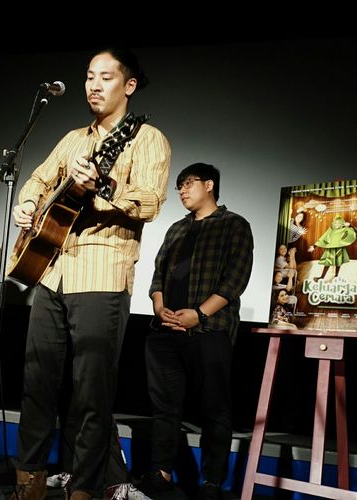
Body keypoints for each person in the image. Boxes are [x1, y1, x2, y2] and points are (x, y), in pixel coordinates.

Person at [11, 48, 171, 500]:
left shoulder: (147, 138)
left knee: (91, 393)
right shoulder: (71, 139)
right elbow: (38, 180)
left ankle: (83, 488)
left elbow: (151, 201)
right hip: (50, 270)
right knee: (37, 382)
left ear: (129, 85)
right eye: (88, 77)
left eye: (105, 77)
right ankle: (30, 481)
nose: (94, 85)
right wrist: (28, 204)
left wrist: (103, 187)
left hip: (102, 272)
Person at [141, 163, 253, 500]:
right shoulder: (176, 228)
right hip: (165, 330)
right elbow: (158, 273)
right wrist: (160, 307)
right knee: (164, 407)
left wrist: (199, 315)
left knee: (214, 407)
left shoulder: (234, 225)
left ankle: (211, 482)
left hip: (210, 330)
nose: (182, 191)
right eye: (179, 186)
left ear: (209, 185)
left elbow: (236, 278)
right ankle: (161, 472)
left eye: (188, 183)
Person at [308, 215, 357, 281]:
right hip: (330, 249)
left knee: (338, 262)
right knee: (327, 263)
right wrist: (314, 246)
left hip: (340, 248)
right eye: (335, 223)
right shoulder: (331, 230)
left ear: (342, 223)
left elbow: (354, 233)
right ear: (333, 223)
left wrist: (350, 226)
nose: (337, 224)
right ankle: (322, 277)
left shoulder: (345, 229)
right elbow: (324, 237)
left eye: (339, 223)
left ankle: (336, 276)